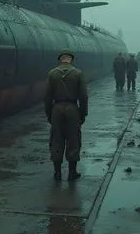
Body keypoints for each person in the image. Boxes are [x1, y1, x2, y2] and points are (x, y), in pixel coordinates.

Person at [44, 49, 88, 181]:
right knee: (73, 139)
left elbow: (47, 96)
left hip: (57, 109)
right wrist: (83, 113)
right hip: (73, 109)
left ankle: (57, 173)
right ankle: (72, 173)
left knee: (57, 139)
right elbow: (83, 96)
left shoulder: (52, 73)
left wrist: (49, 113)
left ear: (60, 60)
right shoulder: (78, 73)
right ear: (71, 60)